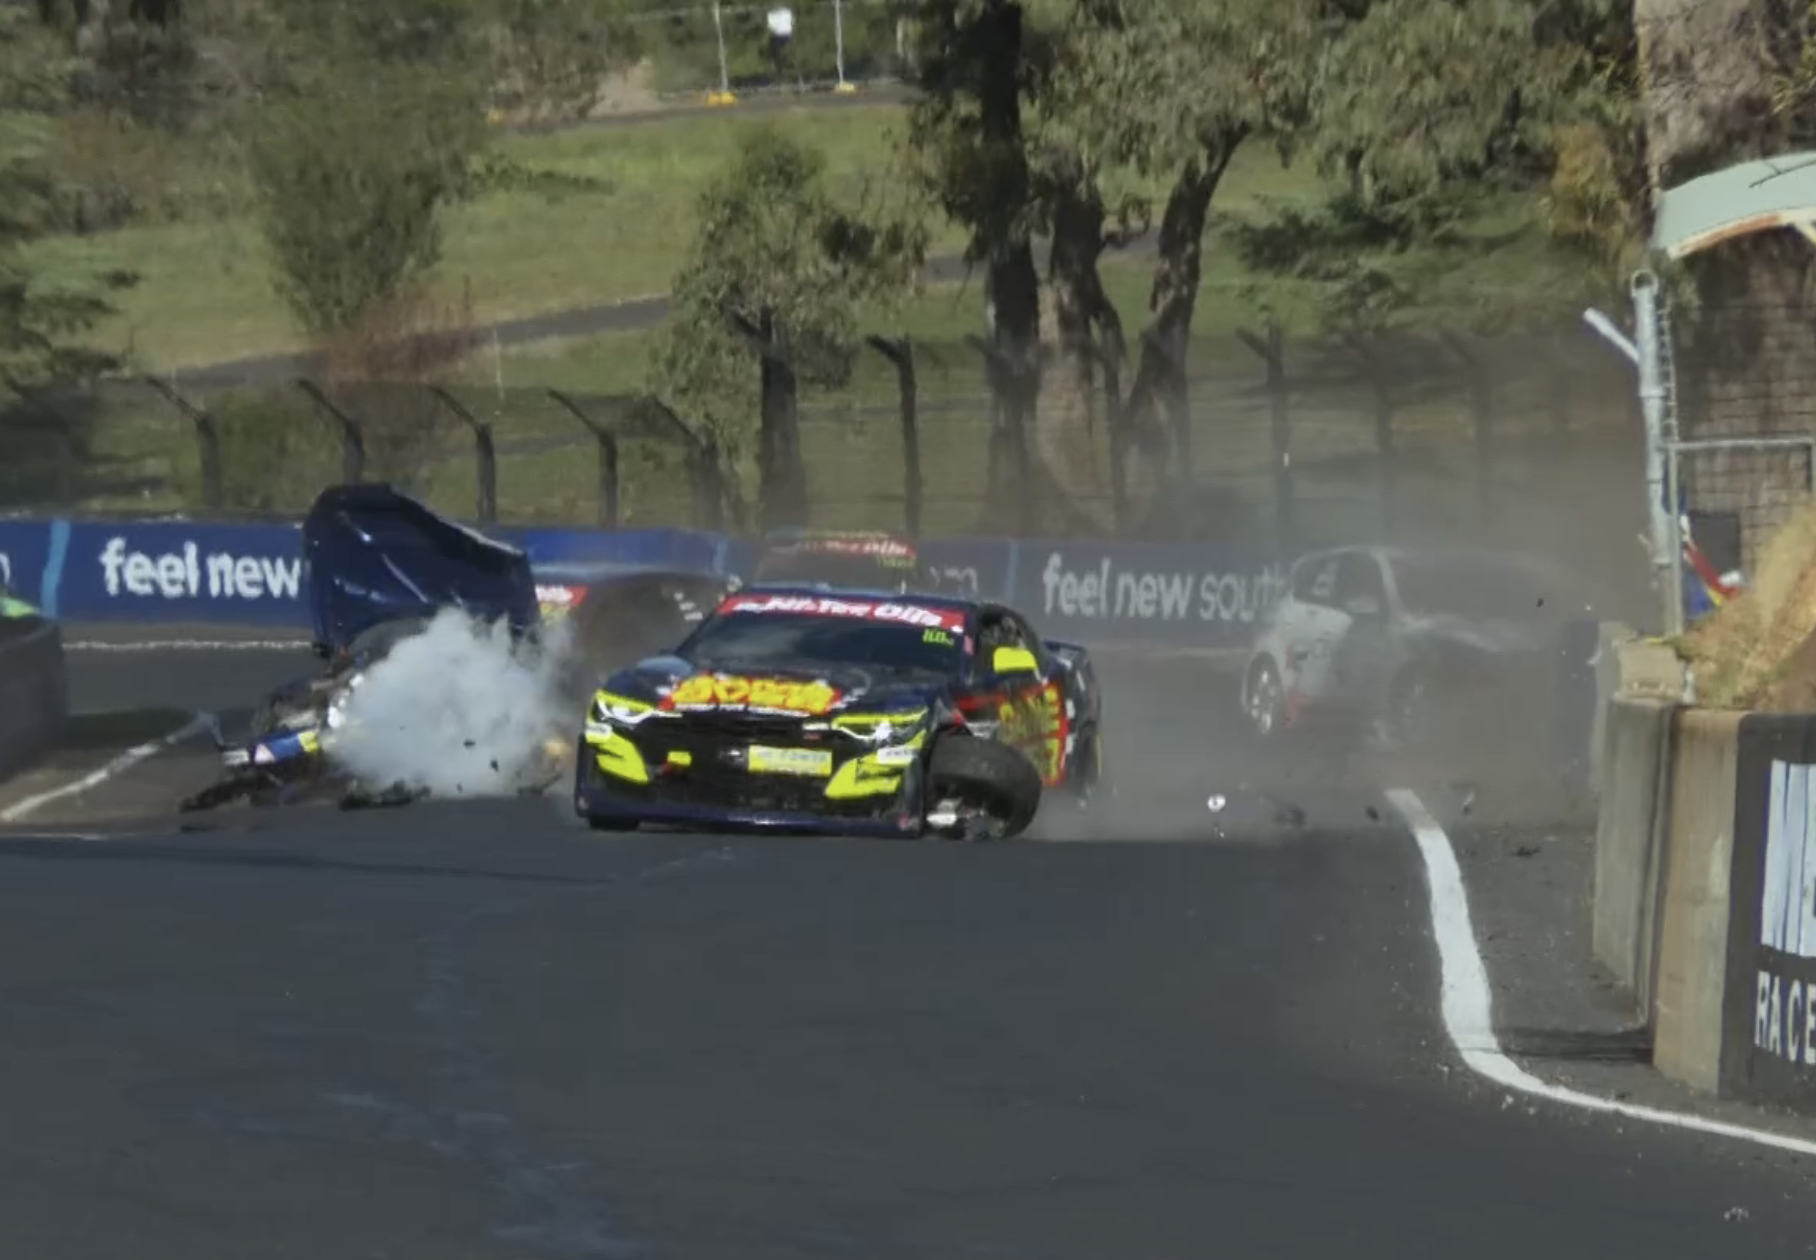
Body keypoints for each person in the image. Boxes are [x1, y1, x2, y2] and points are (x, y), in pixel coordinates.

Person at [766, 4, 796, 87]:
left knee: (773, 48)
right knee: (778, 48)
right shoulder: (787, 11)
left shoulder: (771, 14)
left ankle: (777, 64)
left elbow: (771, 27)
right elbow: (793, 22)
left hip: (779, 36)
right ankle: (781, 62)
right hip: (787, 35)